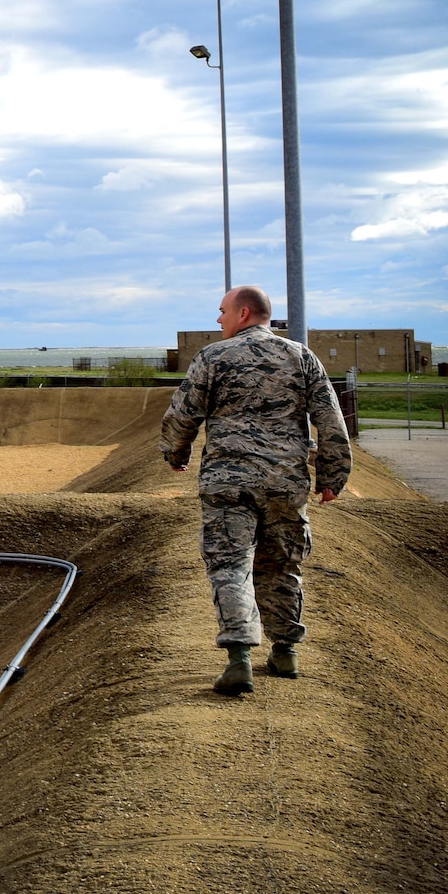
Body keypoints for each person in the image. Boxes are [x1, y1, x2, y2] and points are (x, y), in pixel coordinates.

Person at [160, 285, 352, 695]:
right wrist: (333, 477)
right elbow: (331, 420)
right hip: (286, 483)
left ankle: (239, 660)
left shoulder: (213, 357)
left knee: (229, 565)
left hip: (228, 483)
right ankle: (285, 653)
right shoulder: (302, 357)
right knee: (282, 564)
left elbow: (182, 413)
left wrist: (175, 453)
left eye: (222, 311)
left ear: (244, 313)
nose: (219, 320)